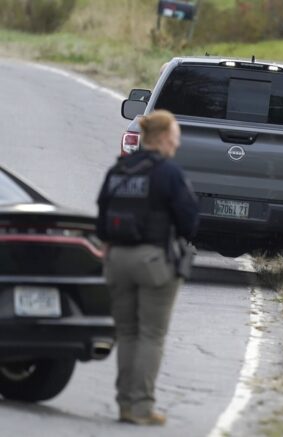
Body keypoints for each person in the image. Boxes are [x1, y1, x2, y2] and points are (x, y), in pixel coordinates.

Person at [96, 110, 200, 425]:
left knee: (127, 333)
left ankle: (125, 404)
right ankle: (142, 407)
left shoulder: (118, 169)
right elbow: (189, 221)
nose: (177, 143)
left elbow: (101, 221)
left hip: (116, 260)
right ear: (165, 137)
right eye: (176, 137)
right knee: (151, 335)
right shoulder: (169, 173)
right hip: (153, 262)